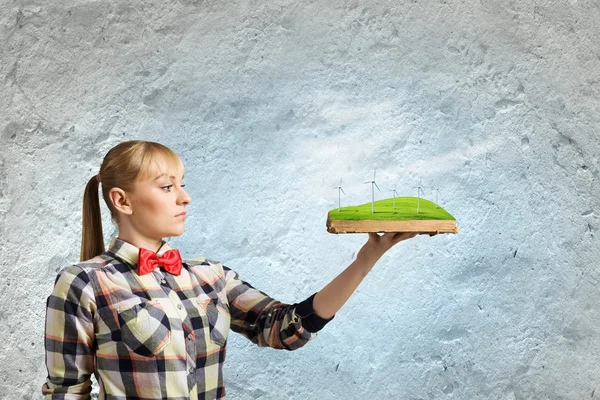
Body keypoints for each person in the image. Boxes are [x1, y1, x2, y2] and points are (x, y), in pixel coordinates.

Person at [42, 140, 418, 399]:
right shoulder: (84, 284)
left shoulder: (211, 277)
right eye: (166, 186)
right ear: (121, 200)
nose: (184, 196)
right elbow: (66, 391)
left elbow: (286, 329)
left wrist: (366, 258)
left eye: (182, 185)